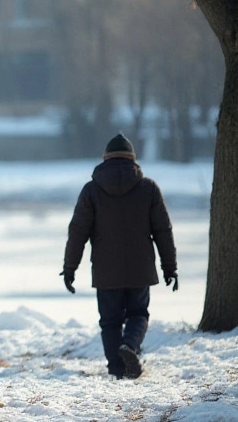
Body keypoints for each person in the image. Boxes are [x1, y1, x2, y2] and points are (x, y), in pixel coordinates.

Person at [63, 133, 178, 380]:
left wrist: (70, 268)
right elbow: (162, 231)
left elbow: (78, 232)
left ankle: (117, 368)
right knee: (138, 314)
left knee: (110, 321)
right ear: (132, 160)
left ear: (105, 160)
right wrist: (170, 266)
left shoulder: (92, 190)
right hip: (140, 268)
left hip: (106, 270)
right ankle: (130, 347)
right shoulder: (148, 188)